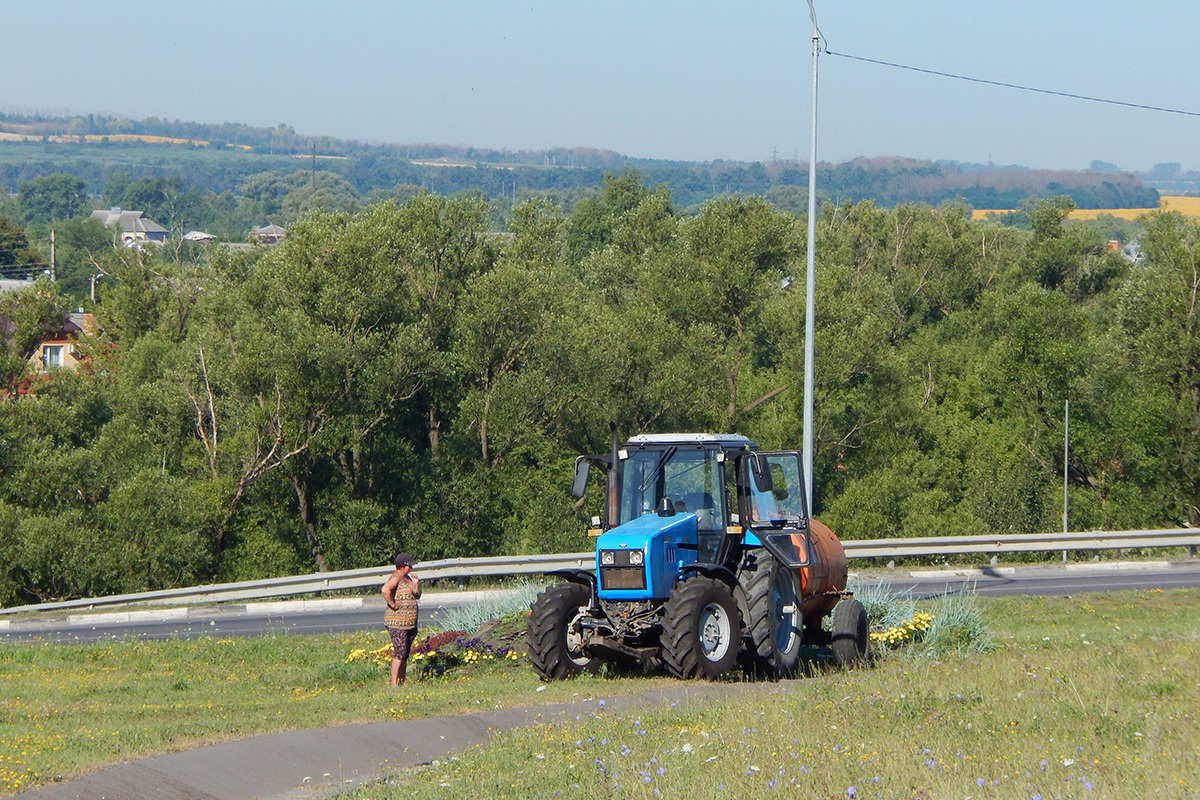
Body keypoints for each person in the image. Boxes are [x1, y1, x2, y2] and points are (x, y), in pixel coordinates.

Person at [381, 552, 420, 686]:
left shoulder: (408, 578)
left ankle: (402, 681)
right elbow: (385, 590)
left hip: (409, 622)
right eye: (409, 566)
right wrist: (392, 604)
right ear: (402, 566)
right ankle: (393, 684)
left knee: (405, 653)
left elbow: (417, 595)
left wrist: (416, 584)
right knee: (399, 652)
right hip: (397, 622)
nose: (411, 569)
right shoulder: (395, 577)